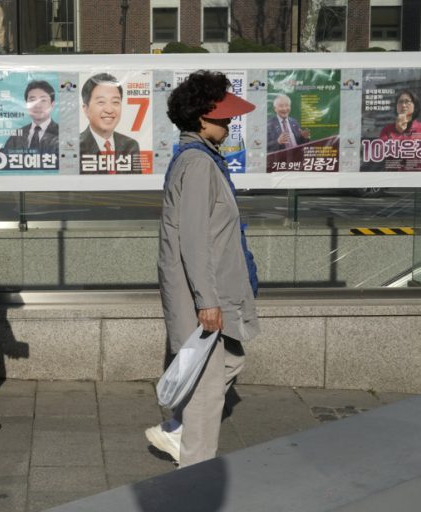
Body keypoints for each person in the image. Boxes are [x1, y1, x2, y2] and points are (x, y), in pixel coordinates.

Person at [146, 70, 260, 467]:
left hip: (212, 290)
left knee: (231, 359)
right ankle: (195, 473)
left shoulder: (201, 159)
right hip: (204, 296)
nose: (229, 124)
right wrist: (206, 302)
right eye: (223, 118)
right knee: (208, 391)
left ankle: (177, 429)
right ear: (200, 118)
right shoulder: (197, 165)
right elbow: (193, 240)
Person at [79, 72, 141, 173]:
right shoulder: (76, 147)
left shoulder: (130, 145)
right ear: (86, 109)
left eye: (115, 102)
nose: (109, 110)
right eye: (101, 102)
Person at [378, 89, 421, 171]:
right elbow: (380, 156)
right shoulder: (387, 129)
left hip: (417, 179)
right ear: (396, 107)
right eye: (400, 102)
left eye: (407, 101)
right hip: (392, 179)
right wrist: (398, 131)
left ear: (415, 106)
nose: (403, 105)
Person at [3, 79, 59, 155]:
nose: (37, 105)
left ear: (52, 104)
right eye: (32, 100)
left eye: (43, 100)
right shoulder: (16, 136)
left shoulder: (62, 134)